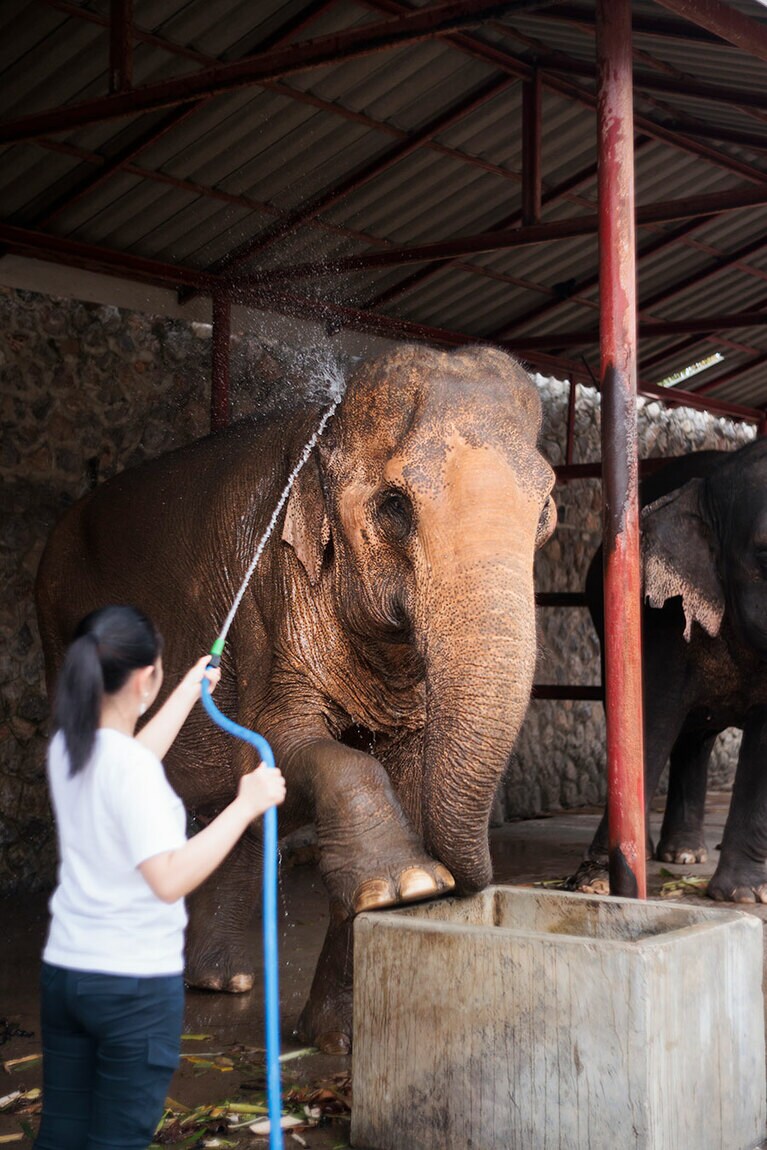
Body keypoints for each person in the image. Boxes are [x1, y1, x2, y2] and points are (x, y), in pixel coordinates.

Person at [34, 605, 286, 1150]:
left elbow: (131, 762)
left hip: (68, 976)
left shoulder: (68, 749)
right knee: (116, 1140)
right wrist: (244, 807)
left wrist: (187, 693)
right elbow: (168, 879)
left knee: (61, 1133)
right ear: (146, 675)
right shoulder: (132, 774)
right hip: (131, 990)